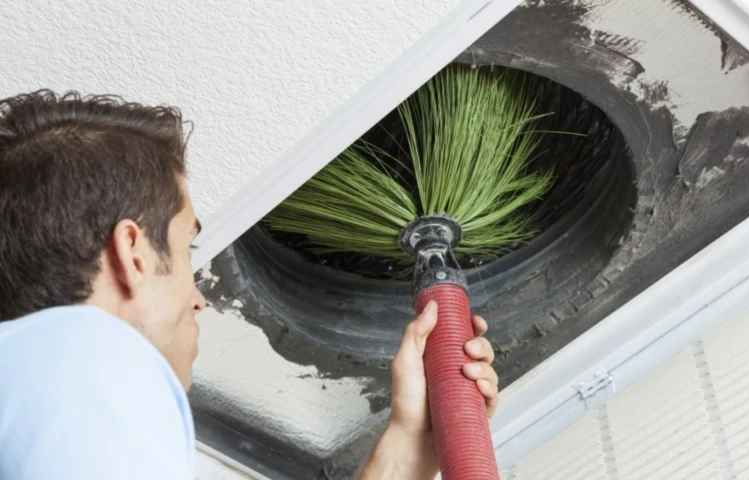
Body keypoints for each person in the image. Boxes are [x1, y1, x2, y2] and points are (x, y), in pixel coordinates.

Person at [0, 90, 500, 479]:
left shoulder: (36, 390)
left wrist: (411, 443)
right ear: (133, 253)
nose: (199, 300)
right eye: (184, 251)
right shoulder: (92, 359)